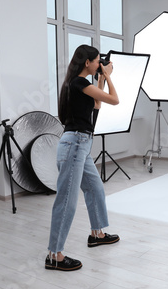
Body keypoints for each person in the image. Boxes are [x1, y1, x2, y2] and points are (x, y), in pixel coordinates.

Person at [46, 44, 120, 271]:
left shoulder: (80, 85)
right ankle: (54, 256)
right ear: (87, 62)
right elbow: (114, 100)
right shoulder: (79, 83)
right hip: (75, 145)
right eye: (98, 61)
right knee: (66, 200)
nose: (100, 64)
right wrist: (107, 76)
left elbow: (97, 105)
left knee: (95, 188)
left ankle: (97, 234)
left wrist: (100, 78)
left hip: (80, 145)